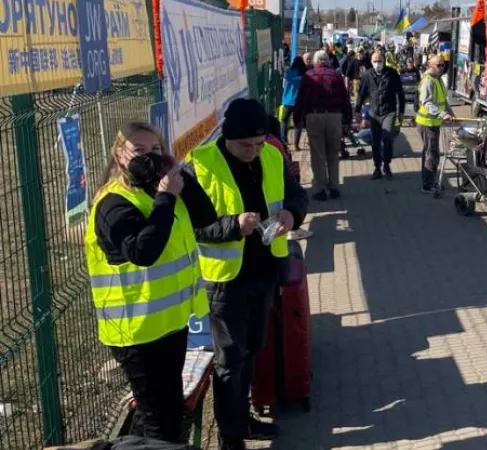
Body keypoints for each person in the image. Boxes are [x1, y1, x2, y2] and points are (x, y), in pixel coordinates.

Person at [184, 99, 309, 450]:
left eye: (258, 143)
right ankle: (231, 437)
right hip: (225, 280)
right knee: (229, 361)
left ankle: (243, 420)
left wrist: (291, 215)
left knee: (252, 349)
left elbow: (298, 196)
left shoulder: (272, 156)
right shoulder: (201, 166)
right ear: (227, 137)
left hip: (265, 271)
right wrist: (232, 227)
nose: (254, 151)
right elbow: (194, 227)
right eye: (245, 145)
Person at [85, 122, 216, 442]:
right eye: (139, 151)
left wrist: (180, 178)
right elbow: (144, 252)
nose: (150, 158)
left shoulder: (158, 188)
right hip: (136, 332)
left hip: (170, 324)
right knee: (161, 421)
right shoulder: (112, 204)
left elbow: (206, 219)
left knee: (162, 411)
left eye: (156, 151)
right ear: (119, 156)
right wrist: (165, 197)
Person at [294, 50, 353, 201]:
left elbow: (300, 99)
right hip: (334, 117)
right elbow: (345, 99)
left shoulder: (308, 76)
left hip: (314, 117)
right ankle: (334, 187)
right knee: (333, 154)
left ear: (315, 61)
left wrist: (297, 120)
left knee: (318, 156)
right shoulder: (336, 75)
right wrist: (348, 120)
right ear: (328, 61)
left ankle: (320, 189)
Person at [356, 51, 406, 180]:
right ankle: (377, 167)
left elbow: (400, 94)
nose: (377, 64)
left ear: (384, 61)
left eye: (379, 61)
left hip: (389, 111)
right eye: (374, 61)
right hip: (374, 112)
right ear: (371, 62)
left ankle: (387, 165)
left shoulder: (392, 73)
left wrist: (401, 112)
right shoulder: (367, 75)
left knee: (387, 137)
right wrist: (357, 110)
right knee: (375, 141)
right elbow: (361, 94)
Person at [416, 55, 454, 193]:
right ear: (430, 65)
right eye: (439, 65)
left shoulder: (438, 80)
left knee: (430, 152)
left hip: (434, 122)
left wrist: (450, 112)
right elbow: (427, 103)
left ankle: (429, 181)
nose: (442, 68)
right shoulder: (428, 81)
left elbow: (443, 101)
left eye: (443, 65)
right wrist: (442, 114)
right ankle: (427, 185)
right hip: (427, 122)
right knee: (431, 154)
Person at [281, 56, 306, 150]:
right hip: (299, 102)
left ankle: (284, 141)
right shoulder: (304, 74)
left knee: (284, 121)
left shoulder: (288, 72)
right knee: (298, 123)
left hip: (287, 101)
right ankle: (296, 144)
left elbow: (284, 85)